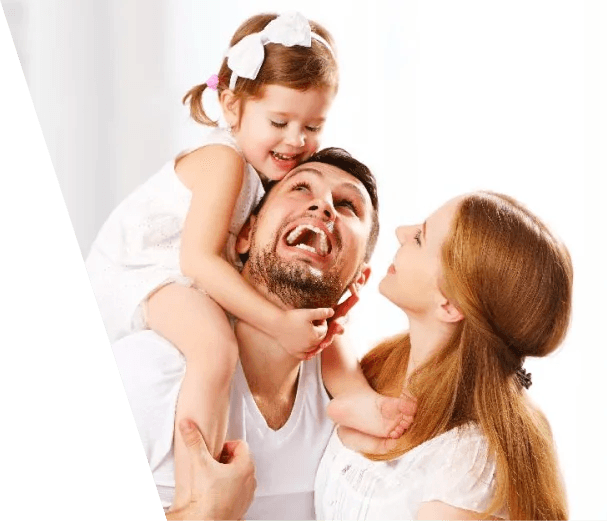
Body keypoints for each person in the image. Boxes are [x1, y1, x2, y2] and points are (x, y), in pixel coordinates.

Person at [85, 11, 413, 512]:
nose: (296, 141)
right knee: (214, 347)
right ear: (245, 236)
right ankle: (203, 478)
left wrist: (366, 401)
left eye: (313, 126)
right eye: (280, 122)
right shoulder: (226, 165)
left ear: (359, 280)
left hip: (194, 275)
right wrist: (280, 322)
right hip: (144, 274)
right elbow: (198, 259)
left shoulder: (330, 397)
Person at [113, 148, 385, 520]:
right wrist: (206, 515)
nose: (323, 206)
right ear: (245, 233)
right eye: (301, 188)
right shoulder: (147, 373)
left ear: (360, 278)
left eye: (347, 205)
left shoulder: (347, 410)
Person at [313, 191, 573, 520]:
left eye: (420, 237)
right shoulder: (382, 371)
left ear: (448, 304)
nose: (401, 232)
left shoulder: (468, 462)